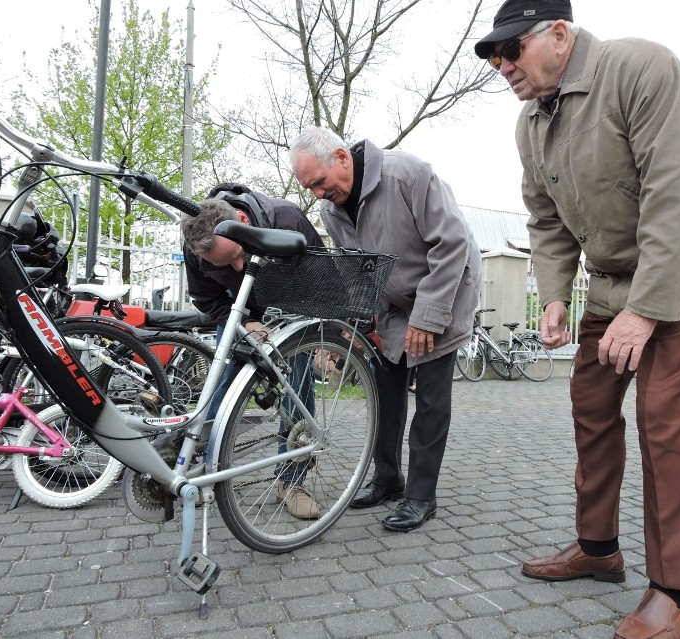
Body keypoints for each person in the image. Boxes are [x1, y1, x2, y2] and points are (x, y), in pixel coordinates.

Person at [475, 1, 680, 637]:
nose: (501, 66)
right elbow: (545, 220)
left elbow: (677, 194)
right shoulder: (530, 124)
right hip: (616, 275)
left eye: (511, 49)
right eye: (492, 56)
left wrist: (646, 312)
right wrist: (554, 295)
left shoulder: (640, 68)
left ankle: (677, 593)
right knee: (591, 400)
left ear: (560, 35)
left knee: (660, 414)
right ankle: (598, 550)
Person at [289, 126, 482, 532]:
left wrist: (428, 317)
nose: (318, 194)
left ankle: (420, 496)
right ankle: (388, 478)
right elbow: (356, 270)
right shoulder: (331, 209)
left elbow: (452, 245)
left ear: (342, 157)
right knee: (385, 392)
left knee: (430, 400)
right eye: (310, 188)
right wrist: (357, 321)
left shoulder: (406, 175)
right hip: (393, 304)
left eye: (320, 182)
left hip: (443, 292)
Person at [180, 184, 325, 519]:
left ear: (242, 221)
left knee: (297, 390)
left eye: (238, 257)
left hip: (290, 311)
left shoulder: (286, 219)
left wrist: (322, 335)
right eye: (223, 264)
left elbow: (322, 278)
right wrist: (246, 324)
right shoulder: (195, 245)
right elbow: (207, 300)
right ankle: (200, 470)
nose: (236, 268)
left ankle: (291, 481)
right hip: (239, 312)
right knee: (221, 388)